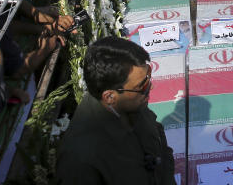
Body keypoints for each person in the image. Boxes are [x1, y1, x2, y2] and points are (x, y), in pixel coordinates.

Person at [55, 36, 175, 185]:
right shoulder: (81, 159)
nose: (150, 87)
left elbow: (158, 136)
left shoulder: (130, 102)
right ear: (110, 96)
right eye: (142, 85)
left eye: (149, 76)